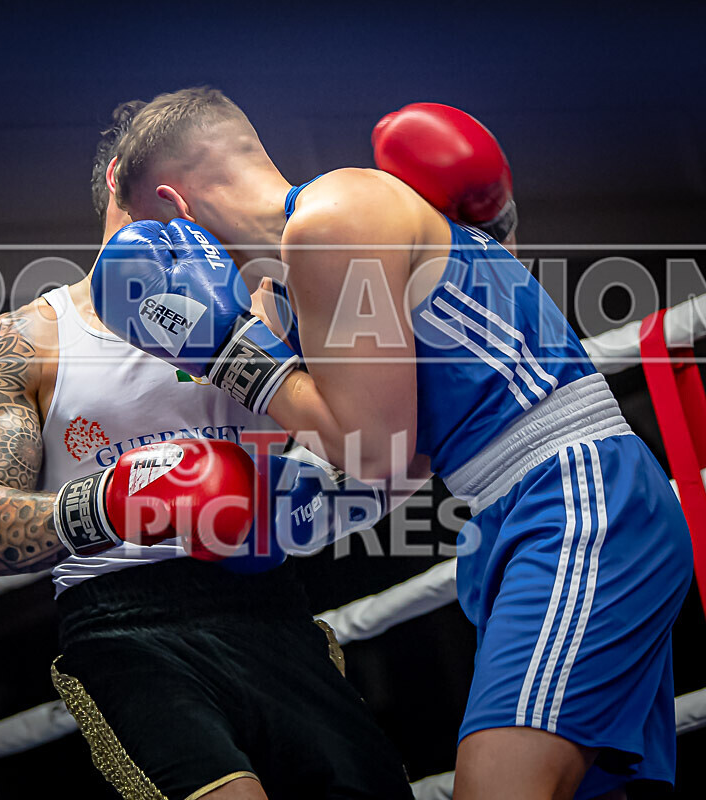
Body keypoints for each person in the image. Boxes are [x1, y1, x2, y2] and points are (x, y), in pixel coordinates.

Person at [99, 88, 694, 800]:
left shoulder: (332, 220)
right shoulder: (293, 290)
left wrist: (230, 350)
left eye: (159, 240)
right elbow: (401, 466)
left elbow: (374, 450)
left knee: (498, 787)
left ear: (178, 206)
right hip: (524, 513)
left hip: (578, 503)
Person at [0, 100, 414, 800]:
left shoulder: (272, 308)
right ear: (120, 179)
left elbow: (385, 450)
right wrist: (116, 500)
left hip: (269, 605)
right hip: (126, 626)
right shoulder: (33, 337)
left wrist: (316, 497)